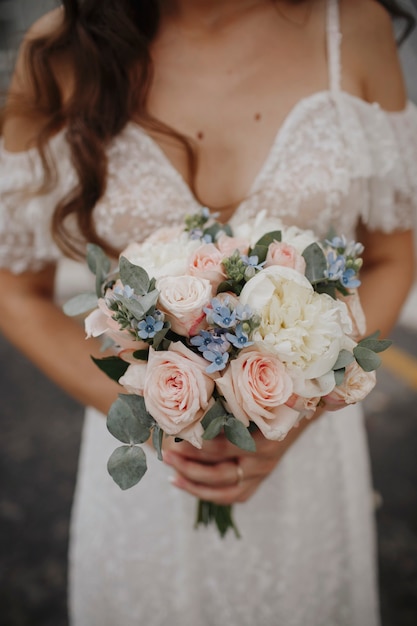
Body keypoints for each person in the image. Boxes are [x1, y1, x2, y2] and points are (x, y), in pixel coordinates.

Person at [0, 0, 416, 624]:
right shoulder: (62, 50)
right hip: (149, 470)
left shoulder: (351, 29)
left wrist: (288, 421)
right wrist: (167, 418)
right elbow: (13, 288)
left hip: (305, 453)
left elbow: (390, 254)